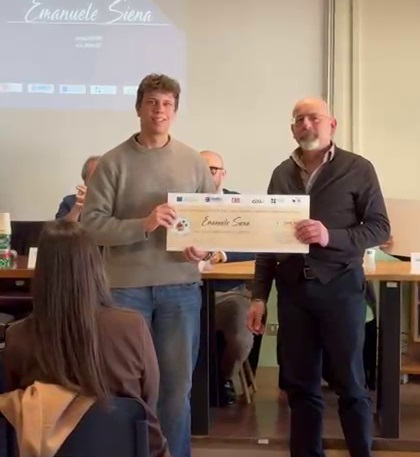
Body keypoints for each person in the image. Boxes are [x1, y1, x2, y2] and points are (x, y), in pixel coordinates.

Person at [81, 74, 215, 457]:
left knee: (176, 388)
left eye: (167, 103)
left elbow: (211, 222)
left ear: (175, 110)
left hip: (180, 288)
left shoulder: (193, 162)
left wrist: (203, 249)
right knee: (123, 385)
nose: (159, 110)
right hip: (125, 290)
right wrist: (145, 223)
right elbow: (91, 225)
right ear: (138, 107)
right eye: (152, 102)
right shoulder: (113, 162)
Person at [247, 98, 390, 457]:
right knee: (300, 388)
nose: (306, 124)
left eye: (314, 118)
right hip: (293, 293)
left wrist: (331, 236)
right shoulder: (281, 174)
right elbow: (268, 240)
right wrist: (259, 296)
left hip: (341, 288)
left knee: (351, 384)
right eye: (299, 119)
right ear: (292, 128)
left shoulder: (358, 168)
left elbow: (379, 228)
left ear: (332, 125)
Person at [2, 220, 170, 457]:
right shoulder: (132, 327)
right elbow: (149, 401)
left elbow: (13, 414)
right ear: (95, 266)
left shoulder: (18, 336)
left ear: (41, 273)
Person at [200, 150, 255, 406]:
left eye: (212, 169)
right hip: (186, 291)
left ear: (223, 174)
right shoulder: (177, 203)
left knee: (243, 336)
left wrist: (224, 255)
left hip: (228, 293)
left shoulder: (239, 204)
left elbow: (258, 246)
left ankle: (223, 378)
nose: (206, 174)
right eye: (200, 168)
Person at [55, 155, 100, 221]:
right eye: (94, 178)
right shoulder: (69, 202)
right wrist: (77, 208)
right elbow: (60, 227)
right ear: (85, 181)